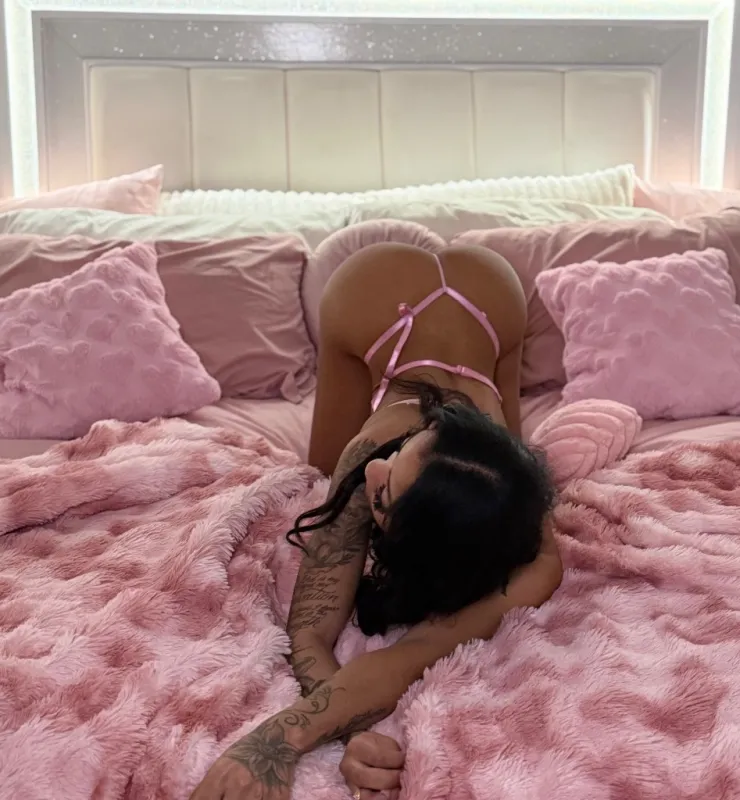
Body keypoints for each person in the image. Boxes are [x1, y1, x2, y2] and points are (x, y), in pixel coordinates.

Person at [189, 243, 562, 800]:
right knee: (321, 470)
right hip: (373, 296)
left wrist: (330, 730)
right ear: (431, 428)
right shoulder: (369, 454)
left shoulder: (524, 526)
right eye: (407, 452)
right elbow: (309, 632)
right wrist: (287, 740)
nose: (374, 475)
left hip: (495, 301)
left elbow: (412, 652)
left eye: (383, 499)